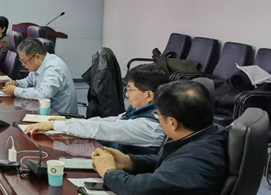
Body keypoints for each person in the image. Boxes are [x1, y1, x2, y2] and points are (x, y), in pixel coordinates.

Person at [92, 80, 228, 195]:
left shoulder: (200, 156)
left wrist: (109, 172)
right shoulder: (203, 133)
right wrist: (130, 161)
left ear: (172, 122)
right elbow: (168, 164)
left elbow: (138, 190)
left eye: (158, 114)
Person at [25, 64, 168, 154]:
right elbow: (111, 121)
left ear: (149, 95)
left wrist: (56, 125)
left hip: (124, 173)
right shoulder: (140, 110)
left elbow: (103, 129)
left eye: (130, 89)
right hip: (105, 153)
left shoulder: (151, 126)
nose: (126, 94)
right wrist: (66, 125)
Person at [1, 37, 78, 114]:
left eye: (25, 62)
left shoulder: (53, 68)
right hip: (45, 111)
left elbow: (43, 94)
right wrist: (17, 84)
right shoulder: (38, 65)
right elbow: (29, 81)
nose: (23, 65)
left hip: (61, 117)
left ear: (37, 57)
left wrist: (15, 90)